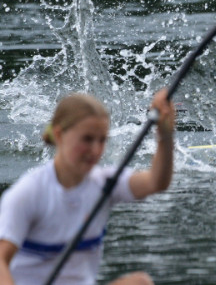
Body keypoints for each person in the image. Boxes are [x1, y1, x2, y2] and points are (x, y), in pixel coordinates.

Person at [0, 90, 175, 285]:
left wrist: (165, 135)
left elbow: (156, 182)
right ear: (59, 134)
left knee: (140, 282)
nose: (95, 150)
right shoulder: (29, 192)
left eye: (102, 140)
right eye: (87, 139)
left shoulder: (104, 182)